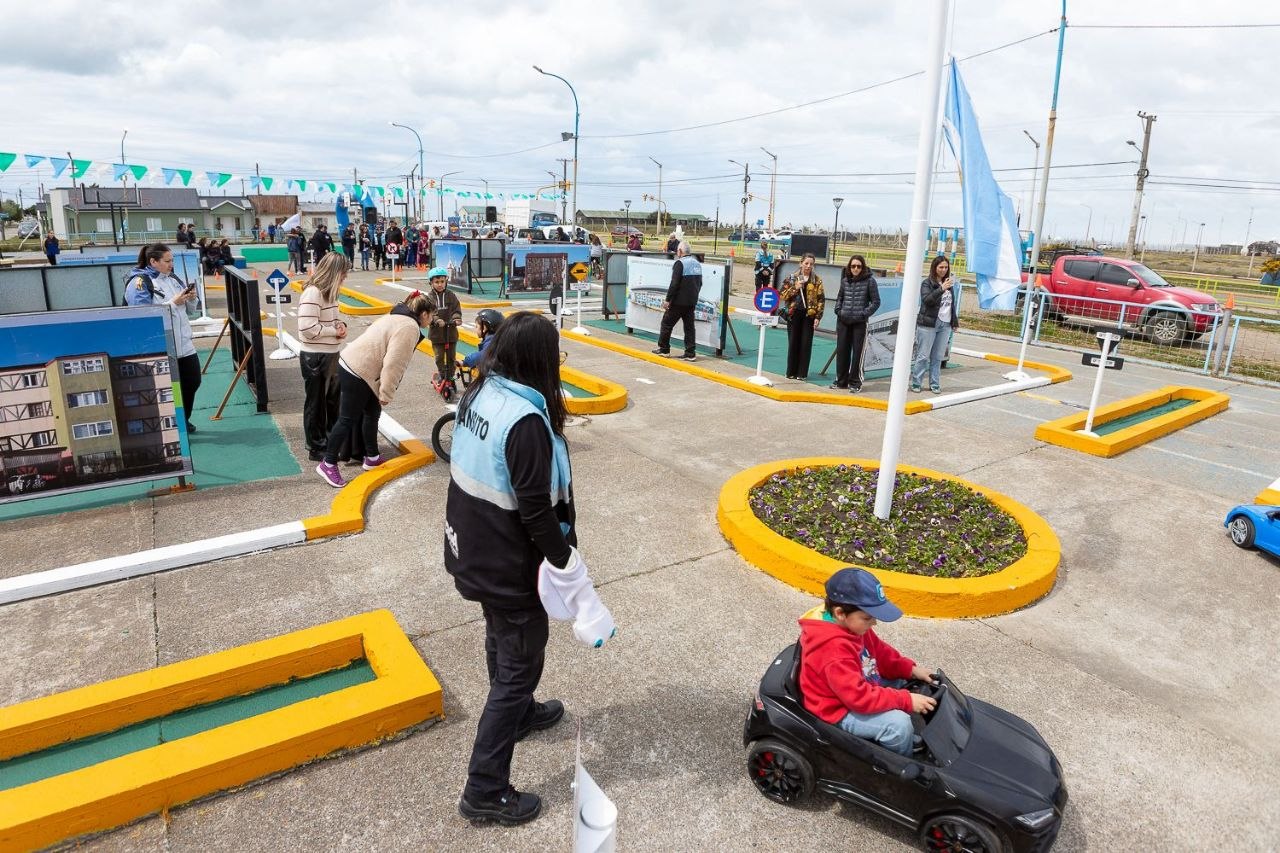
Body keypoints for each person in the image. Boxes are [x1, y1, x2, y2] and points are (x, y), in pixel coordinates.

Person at [444, 311, 612, 826]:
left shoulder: (482, 394)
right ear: (538, 360)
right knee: (518, 668)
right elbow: (536, 509)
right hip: (508, 565)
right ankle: (484, 789)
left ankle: (517, 716)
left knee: (500, 638)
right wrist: (566, 563)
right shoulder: (525, 423)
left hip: (473, 548)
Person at [798, 567, 937, 757]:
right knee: (898, 726)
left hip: (854, 685)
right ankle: (900, 765)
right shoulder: (832, 650)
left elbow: (879, 652)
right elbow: (858, 698)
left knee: (903, 683)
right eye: (868, 618)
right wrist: (905, 700)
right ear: (840, 613)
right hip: (838, 708)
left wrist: (910, 669)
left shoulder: (853, 625)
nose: (874, 623)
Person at [315, 292, 435, 487]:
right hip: (359, 370)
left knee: (372, 412)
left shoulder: (397, 316)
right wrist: (387, 392)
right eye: (431, 315)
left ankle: (372, 457)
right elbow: (394, 363)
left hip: (355, 365)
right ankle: (328, 463)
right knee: (347, 419)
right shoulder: (409, 327)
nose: (431, 320)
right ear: (423, 313)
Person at [124, 243, 202, 434]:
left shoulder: (173, 279)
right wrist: (173, 304)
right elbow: (142, 316)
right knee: (167, 389)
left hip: (184, 344)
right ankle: (173, 425)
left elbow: (191, 310)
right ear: (153, 261)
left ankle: (183, 419)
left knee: (193, 381)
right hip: (160, 347)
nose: (171, 264)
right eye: (167, 261)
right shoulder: (139, 283)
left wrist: (191, 298)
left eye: (172, 260)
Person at [297, 253, 348, 461]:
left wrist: (340, 325)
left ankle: (330, 441)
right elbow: (307, 328)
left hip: (329, 353)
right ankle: (316, 446)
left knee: (332, 402)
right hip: (315, 356)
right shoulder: (313, 293)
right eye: (343, 272)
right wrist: (333, 331)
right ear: (334, 273)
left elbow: (331, 319)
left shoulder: (329, 293)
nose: (346, 277)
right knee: (316, 404)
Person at [830, 254, 880, 392]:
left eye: (858, 266)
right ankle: (841, 381)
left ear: (862, 267)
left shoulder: (870, 281)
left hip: (859, 323)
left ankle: (855, 383)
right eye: (853, 266)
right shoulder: (845, 281)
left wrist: (863, 314)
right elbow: (840, 297)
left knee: (858, 354)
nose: (856, 269)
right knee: (842, 352)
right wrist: (838, 311)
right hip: (843, 322)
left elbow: (876, 302)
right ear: (849, 267)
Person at [910, 255, 959, 394]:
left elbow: (950, 305)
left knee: (937, 356)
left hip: (945, 324)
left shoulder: (949, 284)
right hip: (928, 324)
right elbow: (927, 300)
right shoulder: (927, 283)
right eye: (941, 267)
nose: (944, 270)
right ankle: (916, 381)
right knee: (923, 356)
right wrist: (941, 289)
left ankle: (935, 383)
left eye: (946, 267)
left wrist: (954, 321)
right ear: (934, 268)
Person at [650, 241, 701, 362]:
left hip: (678, 302)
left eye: (677, 251)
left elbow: (674, 284)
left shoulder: (680, 263)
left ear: (680, 252)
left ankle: (664, 349)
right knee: (689, 328)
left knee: (666, 324)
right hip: (691, 301)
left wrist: (668, 300)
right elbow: (700, 283)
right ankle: (690, 353)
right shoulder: (697, 263)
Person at [779, 252, 825, 380]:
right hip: (794, 314)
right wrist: (795, 287)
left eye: (811, 264)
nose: (808, 266)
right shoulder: (792, 278)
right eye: (806, 263)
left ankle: (802, 373)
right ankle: (791, 372)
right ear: (801, 263)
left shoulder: (816, 280)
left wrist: (818, 317)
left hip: (808, 315)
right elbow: (782, 295)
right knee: (793, 342)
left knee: (806, 344)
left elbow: (821, 299)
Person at [424, 266, 463, 385]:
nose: (440, 284)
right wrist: (436, 319)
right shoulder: (429, 297)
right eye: (436, 282)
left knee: (451, 357)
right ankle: (442, 375)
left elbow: (456, 309)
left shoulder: (451, 295)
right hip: (437, 334)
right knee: (439, 357)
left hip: (451, 332)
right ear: (431, 283)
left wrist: (457, 318)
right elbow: (430, 312)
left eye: (442, 281)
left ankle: (450, 376)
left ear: (446, 281)